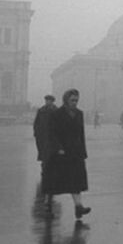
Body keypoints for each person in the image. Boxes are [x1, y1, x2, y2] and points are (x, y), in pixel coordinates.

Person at [42, 89, 91, 220]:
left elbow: (81, 134)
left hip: (75, 153)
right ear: (66, 100)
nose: (75, 103)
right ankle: (47, 203)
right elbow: (51, 133)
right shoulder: (57, 114)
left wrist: (83, 152)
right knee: (54, 181)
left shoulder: (79, 114)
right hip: (60, 153)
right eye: (72, 100)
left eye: (76, 100)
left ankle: (79, 207)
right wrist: (58, 148)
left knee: (76, 181)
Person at [33, 94, 57, 208]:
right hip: (42, 136)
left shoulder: (56, 111)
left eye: (49, 101)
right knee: (43, 153)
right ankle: (44, 166)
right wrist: (36, 133)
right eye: (46, 100)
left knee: (51, 155)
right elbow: (36, 123)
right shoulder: (41, 110)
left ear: (52, 101)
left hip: (52, 137)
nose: (48, 102)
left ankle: (49, 169)